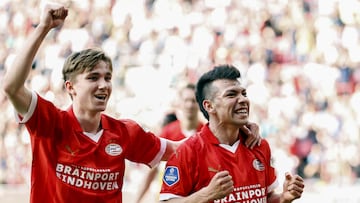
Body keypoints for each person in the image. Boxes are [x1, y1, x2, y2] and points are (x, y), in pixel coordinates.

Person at [1, 5, 261, 203]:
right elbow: (12, 86)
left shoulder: (124, 132)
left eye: (108, 78)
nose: (103, 85)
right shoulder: (50, 122)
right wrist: (43, 28)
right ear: (70, 87)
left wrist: (234, 128)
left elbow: (182, 149)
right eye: (93, 78)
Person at [159, 65, 305, 203]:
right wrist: (206, 194)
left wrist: (283, 199)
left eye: (244, 93)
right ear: (209, 106)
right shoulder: (188, 151)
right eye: (231, 94)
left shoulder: (259, 145)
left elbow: (266, 197)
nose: (242, 99)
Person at [136, 83, 204, 203]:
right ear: (180, 103)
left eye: (194, 100)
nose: (189, 105)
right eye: (186, 100)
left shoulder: (205, 133)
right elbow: (152, 170)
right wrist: (138, 200)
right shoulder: (168, 132)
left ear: (200, 103)